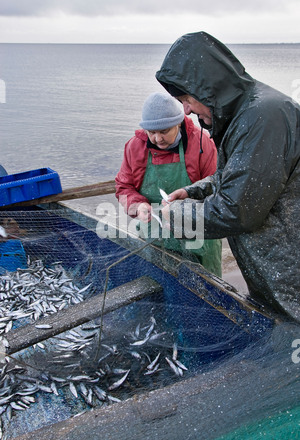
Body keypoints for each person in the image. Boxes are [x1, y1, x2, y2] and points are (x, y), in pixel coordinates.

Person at [156, 31, 300, 322]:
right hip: (273, 278)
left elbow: (238, 211)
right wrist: (195, 192)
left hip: (291, 281)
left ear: (208, 87)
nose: (185, 109)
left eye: (187, 98)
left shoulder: (265, 117)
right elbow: (236, 176)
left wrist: (176, 214)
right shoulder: (245, 113)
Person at [115, 92, 222, 276]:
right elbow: (123, 187)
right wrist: (137, 205)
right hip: (154, 237)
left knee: (205, 291)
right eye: (152, 132)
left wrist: (185, 216)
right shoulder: (135, 147)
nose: (157, 138)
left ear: (178, 124)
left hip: (198, 238)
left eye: (164, 131)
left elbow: (217, 191)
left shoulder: (202, 143)